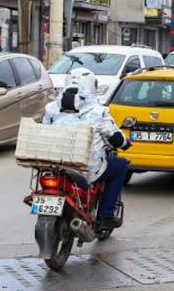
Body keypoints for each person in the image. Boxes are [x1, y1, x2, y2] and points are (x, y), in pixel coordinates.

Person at [44, 68, 130, 229]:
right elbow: (114, 137)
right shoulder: (97, 111)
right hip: (86, 167)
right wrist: (125, 143)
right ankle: (106, 216)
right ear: (91, 87)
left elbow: (45, 129)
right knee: (120, 166)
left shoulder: (51, 109)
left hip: (54, 164)